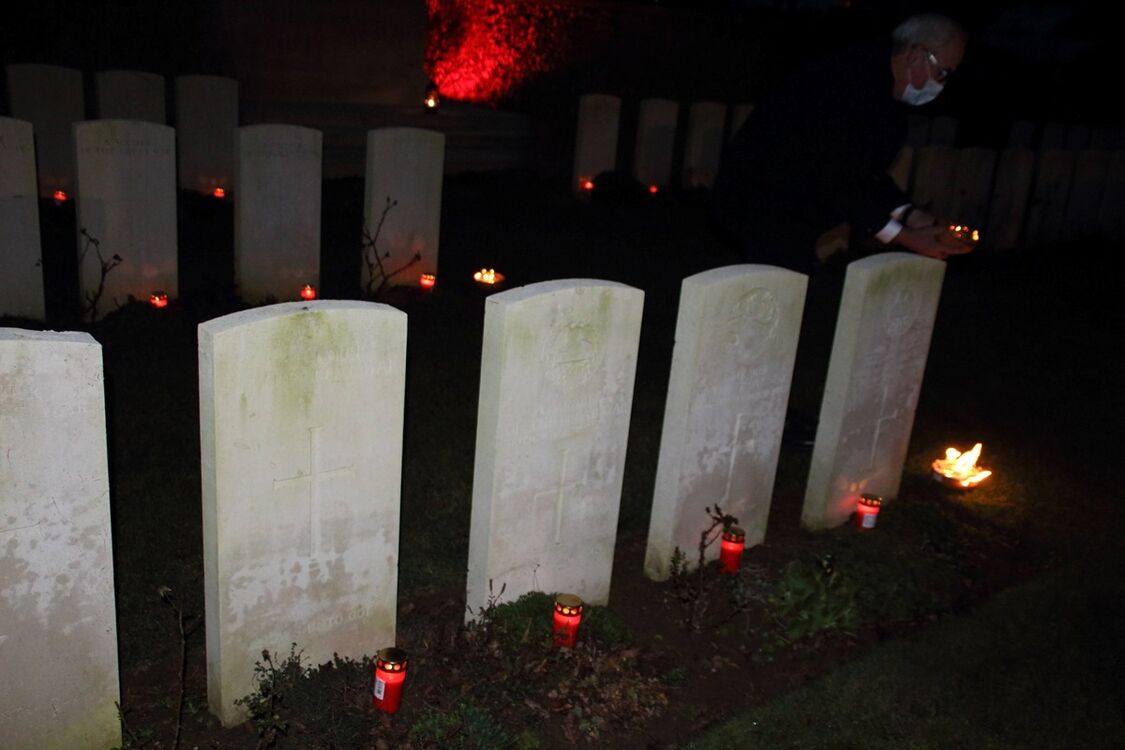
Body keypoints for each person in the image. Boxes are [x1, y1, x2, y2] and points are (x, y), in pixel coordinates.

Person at [711, 12, 974, 275]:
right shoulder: (848, 83)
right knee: (780, 291)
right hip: (762, 201)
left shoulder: (882, 87)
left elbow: (866, 172)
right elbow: (835, 175)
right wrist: (903, 236)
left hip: (791, 207)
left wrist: (912, 216)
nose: (942, 84)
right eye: (943, 73)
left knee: (792, 284)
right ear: (916, 55)